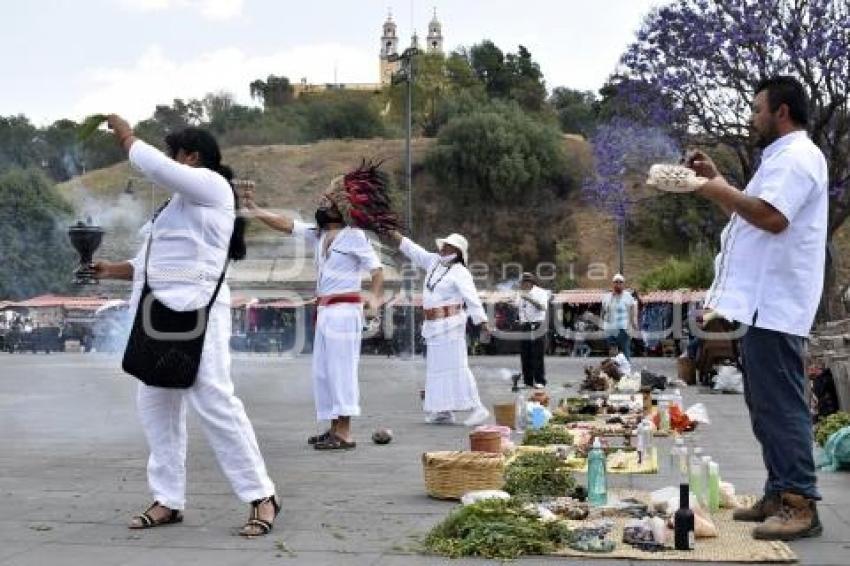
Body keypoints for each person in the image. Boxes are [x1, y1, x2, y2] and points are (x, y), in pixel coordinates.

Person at [92, 117, 279, 537]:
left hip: (200, 309)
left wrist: (124, 133)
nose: (171, 163)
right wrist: (108, 269)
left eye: (175, 154)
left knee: (213, 399)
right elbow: (146, 265)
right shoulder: (167, 213)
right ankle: (168, 499)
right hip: (157, 313)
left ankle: (261, 495)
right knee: (154, 402)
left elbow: (155, 167)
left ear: (190, 157)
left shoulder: (213, 186)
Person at [685, 76, 826, 541]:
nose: (752, 118)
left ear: (780, 111)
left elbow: (770, 217)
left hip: (778, 303)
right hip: (764, 304)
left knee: (782, 406)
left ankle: (799, 503)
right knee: (764, 404)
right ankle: (778, 490)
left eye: (757, 109)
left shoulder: (799, 157)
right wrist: (721, 183)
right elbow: (752, 211)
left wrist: (712, 189)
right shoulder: (780, 159)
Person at [241, 166, 386, 450]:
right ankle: (333, 428)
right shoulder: (318, 236)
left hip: (344, 312)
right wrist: (252, 207)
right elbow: (285, 224)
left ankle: (345, 433)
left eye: (326, 203)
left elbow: (377, 270)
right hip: (325, 312)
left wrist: (375, 299)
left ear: (339, 210)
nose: (320, 206)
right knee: (324, 371)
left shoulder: (354, 237)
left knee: (341, 369)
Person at [387, 230, 490, 426]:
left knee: (457, 366)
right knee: (436, 369)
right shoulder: (433, 262)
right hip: (432, 326)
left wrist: (482, 322)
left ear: (458, 252)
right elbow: (413, 250)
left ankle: (478, 407)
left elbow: (472, 298)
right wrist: (393, 234)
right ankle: (443, 411)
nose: (443, 248)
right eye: (443, 245)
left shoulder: (461, 272)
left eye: (448, 246)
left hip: (451, 325)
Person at [516, 272, 549, 388]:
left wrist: (529, 299)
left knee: (537, 354)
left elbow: (543, 307)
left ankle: (540, 381)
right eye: (521, 283)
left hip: (537, 325)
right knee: (525, 355)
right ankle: (527, 382)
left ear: (530, 283)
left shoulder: (541, 292)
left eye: (524, 283)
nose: (522, 285)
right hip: (525, 326)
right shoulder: (521, 294)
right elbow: (520, 309)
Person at [601, 274, 637, 360]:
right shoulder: (607, 297)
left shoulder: (628, 296)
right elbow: (603, 312)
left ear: (623, 284)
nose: (618, 284)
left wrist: (633, 324)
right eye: (616, 282)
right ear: (613, 284)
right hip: (609, 329)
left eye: (620, 282)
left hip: (623, 328)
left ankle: (626, 370)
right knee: (612, 350)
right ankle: (613, 370)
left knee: (624, 350)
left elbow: (632, 311)